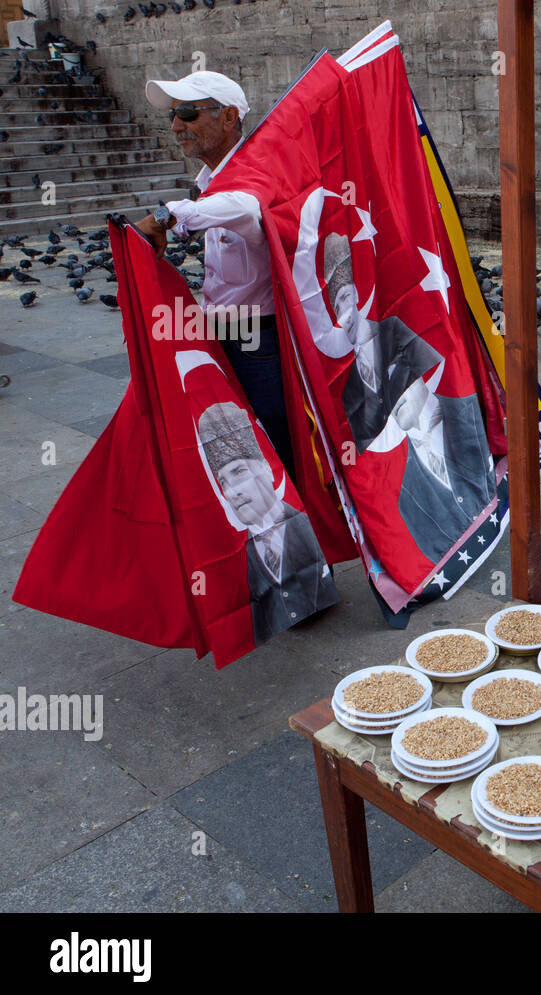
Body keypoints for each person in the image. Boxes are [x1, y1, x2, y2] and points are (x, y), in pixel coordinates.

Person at [134, 71, 294, 474]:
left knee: (274, 446)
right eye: (173, 115)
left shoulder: (253, 175)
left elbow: (245, 206)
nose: (176, 126)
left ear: (228, 117)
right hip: (224, 334)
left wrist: (166, 216)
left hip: (260, 340)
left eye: (187, 113)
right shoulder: (209, 181)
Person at [196, 401, 338, 645]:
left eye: (239, 472)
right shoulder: (239, 557)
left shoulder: (306, 527)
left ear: (266, 468)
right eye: (223, 482)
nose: (232, 492)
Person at [321, 233, 442, 451]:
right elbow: (366, 451)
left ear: (358, 294)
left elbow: (437, 378)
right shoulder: (349, 390)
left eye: (346, 297)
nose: (343, 315)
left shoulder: (396, 330)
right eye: (336, 308)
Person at [383, 371, 496, 564]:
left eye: (396, 377)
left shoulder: (470, 405)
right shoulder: (403, 494)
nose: (390, 395)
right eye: (381, 391)